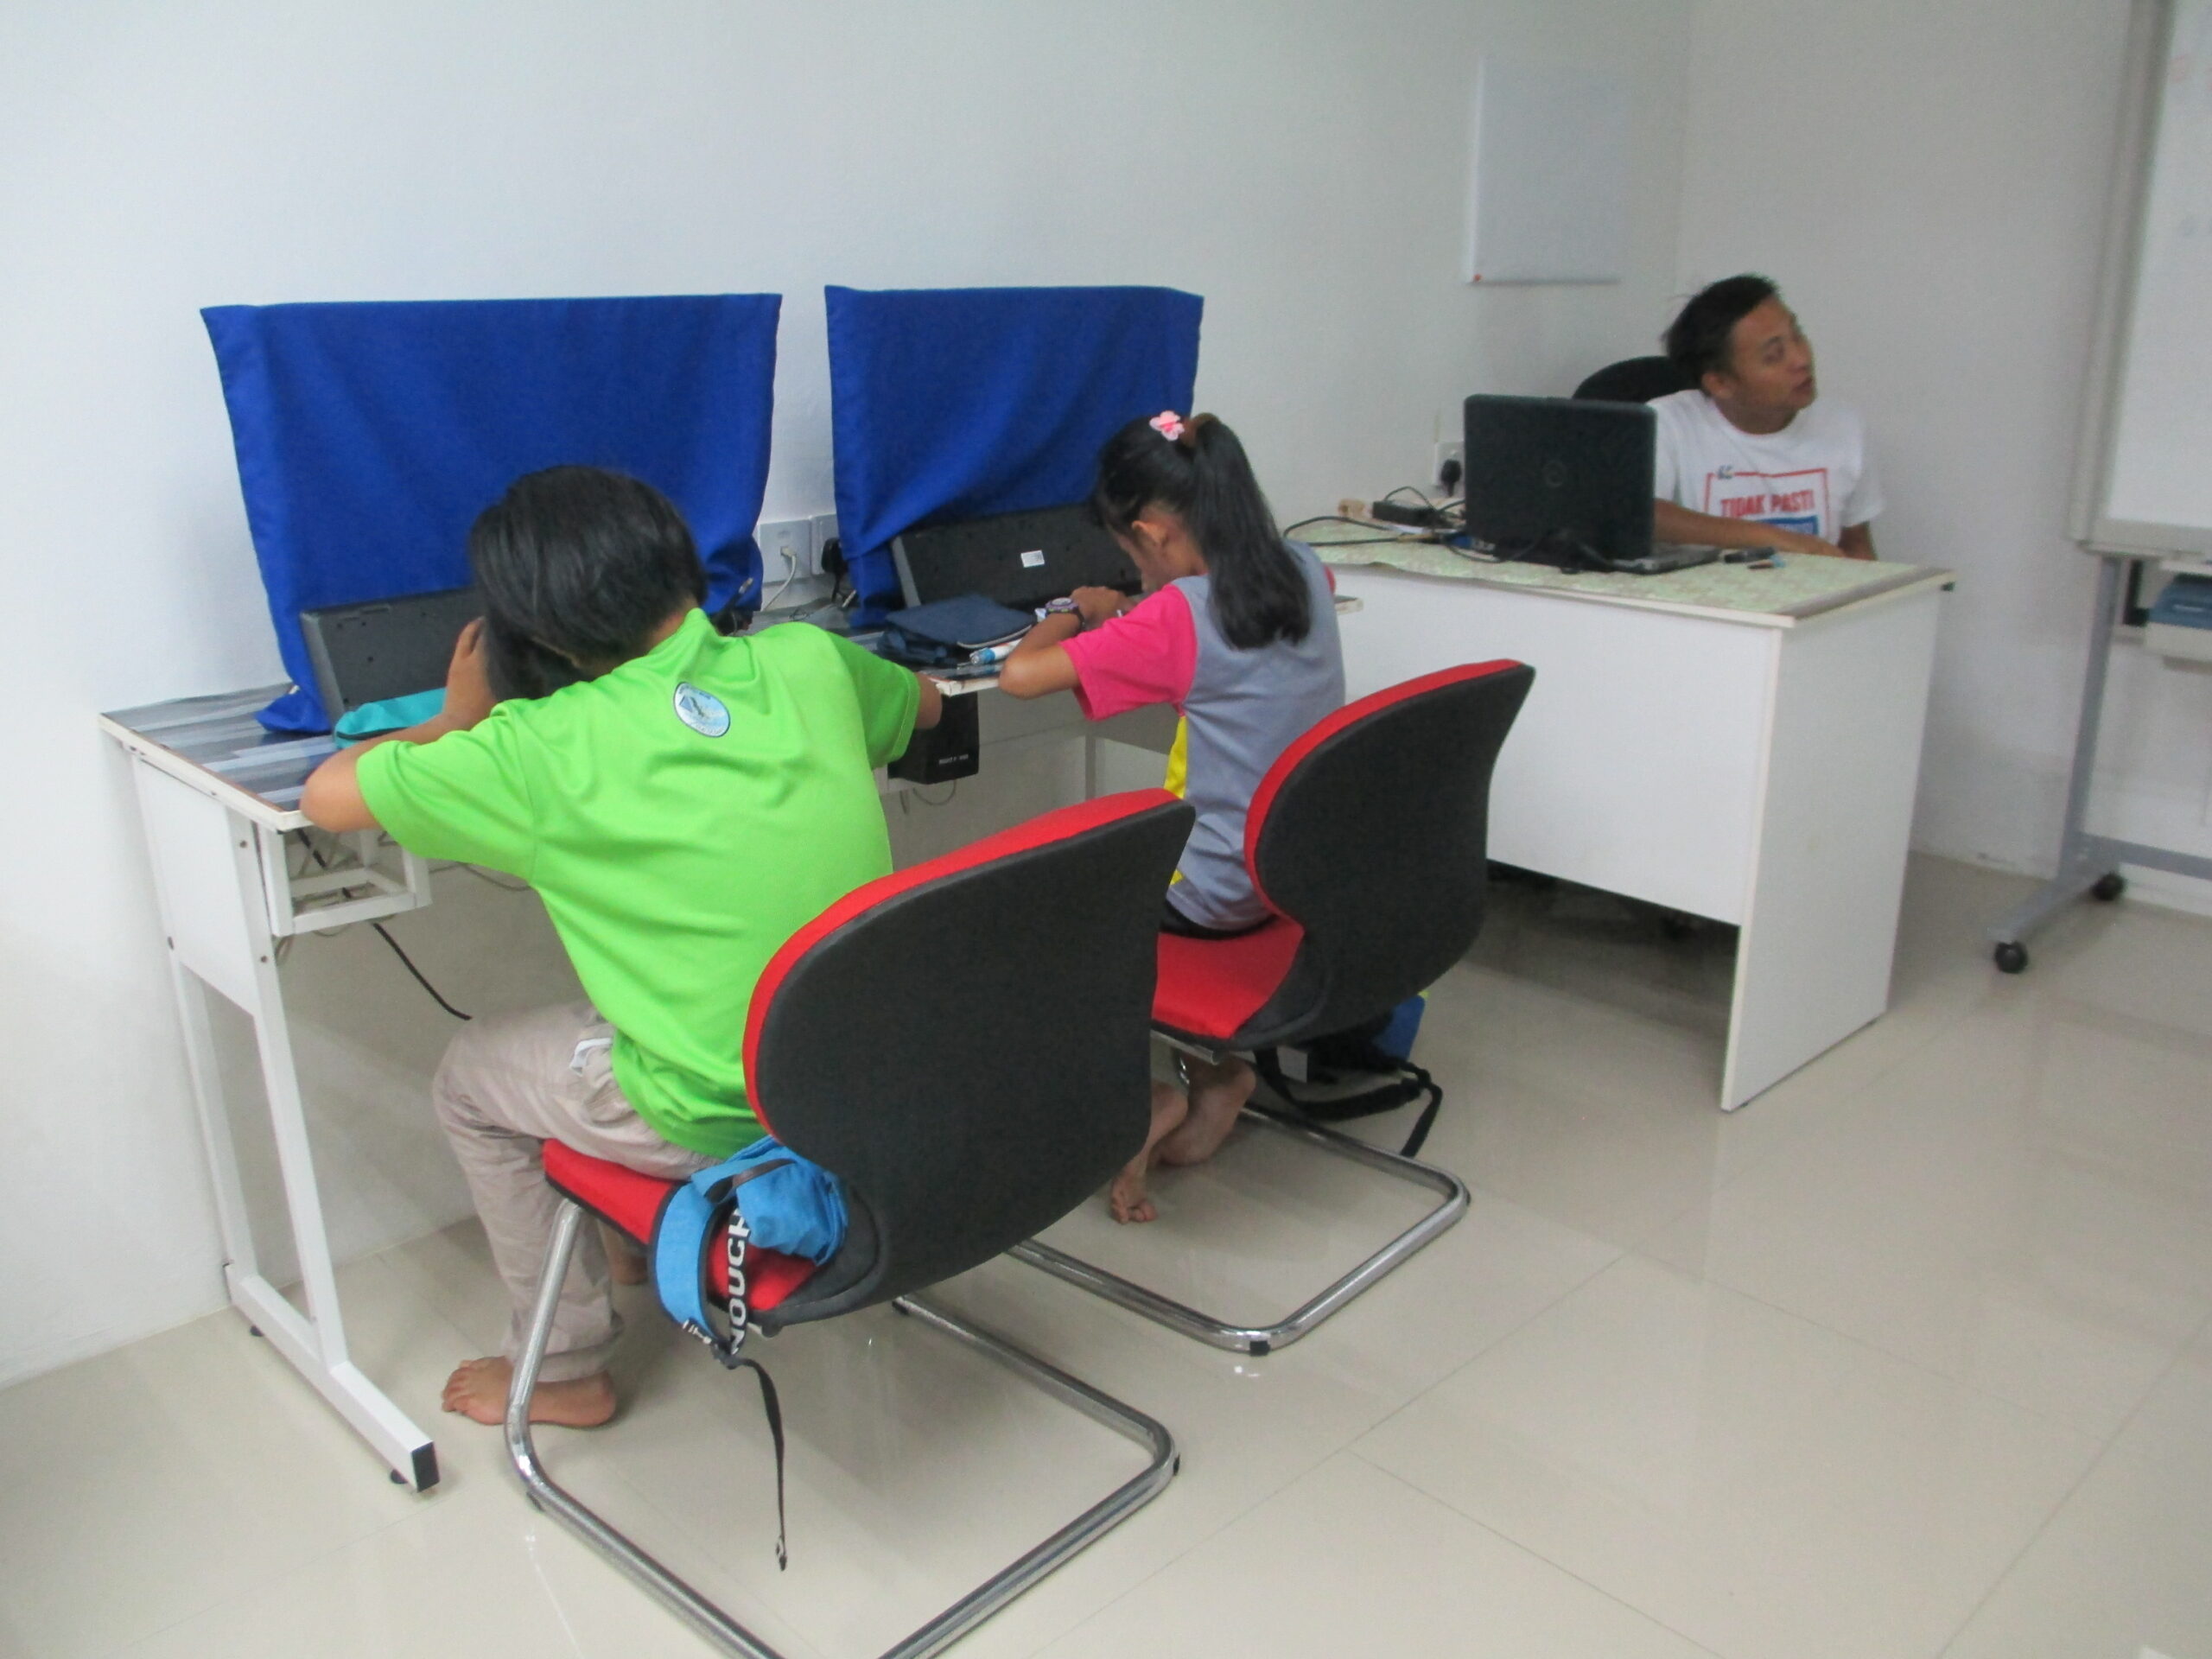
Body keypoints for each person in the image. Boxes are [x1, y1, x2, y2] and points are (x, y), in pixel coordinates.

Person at [300, 466, 940, 1427]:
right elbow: (925, 705)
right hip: (861, 1077)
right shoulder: (810, 659)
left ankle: (564, 1366)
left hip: (719, 1112)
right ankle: (630, 1238)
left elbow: (326, 797)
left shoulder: (534, 748)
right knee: (646, 994)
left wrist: (452, 717)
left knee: (470, 1078)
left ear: (537, 633)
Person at [997, 411, 1344, 1223]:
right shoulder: (1307, 571)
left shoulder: (1180, 613)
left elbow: (1019, 677)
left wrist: (1076, 608)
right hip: (1295, 878)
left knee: (1026, 899)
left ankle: (1134, 1099)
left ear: (1153, 532)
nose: (1135, 569)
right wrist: (1137, 616)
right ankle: (1219, 1076)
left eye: (1130, 552)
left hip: (1211, 896)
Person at [1649, 274, 1883, 561]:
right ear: (1720, 383)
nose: (1801, 360)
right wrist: (1773, 539)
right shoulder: (1666, 423)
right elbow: (1643, 514)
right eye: (1774, 355)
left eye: (1797, 335)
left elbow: (1856, 545)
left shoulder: (1843, 425)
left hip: (1812, 588)